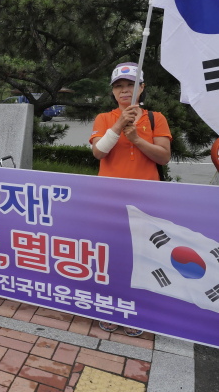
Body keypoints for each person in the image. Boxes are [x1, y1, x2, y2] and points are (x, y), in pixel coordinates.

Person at [90, 62, 172, 336]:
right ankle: (113, 307)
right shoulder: (103, 118)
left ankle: (139, 311)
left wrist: (136, 138)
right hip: (110, 200)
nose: (125, 91)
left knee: (146, 256)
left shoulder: (155, 118)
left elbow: (163, 156)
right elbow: (99, 153)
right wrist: (118, 125)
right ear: (113, 92)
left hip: (148, 200)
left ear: (142, 88)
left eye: (131, 85)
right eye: (119, 86)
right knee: (113, 255)